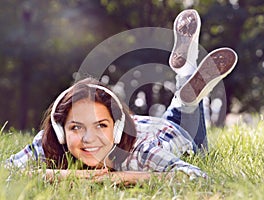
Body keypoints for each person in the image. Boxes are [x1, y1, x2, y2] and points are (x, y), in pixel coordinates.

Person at [5, 9, 237, 183]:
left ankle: (187, 86)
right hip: (152, 124)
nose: (88, 139)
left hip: (176, 133)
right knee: (183, 104)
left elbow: (194, 176)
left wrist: (118, 177)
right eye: (76, 127)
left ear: (117, 129)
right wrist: (73, 175)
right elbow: (6, 171)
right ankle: (185, 82)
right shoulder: (47, 144)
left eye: (101, 126)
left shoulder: (139, 153)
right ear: (60, 130)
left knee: (189, 116)